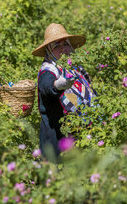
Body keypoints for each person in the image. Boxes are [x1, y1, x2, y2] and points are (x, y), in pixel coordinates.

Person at [32, 23, 97, 162]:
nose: (63, 49)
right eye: (57, 46)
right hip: (57, 138)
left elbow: (89, 90)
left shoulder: (75, 69)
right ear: (49, 50)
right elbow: (46, 87)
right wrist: (57, 85)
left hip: (80, 135)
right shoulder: (48, 70)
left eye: (65, 44)